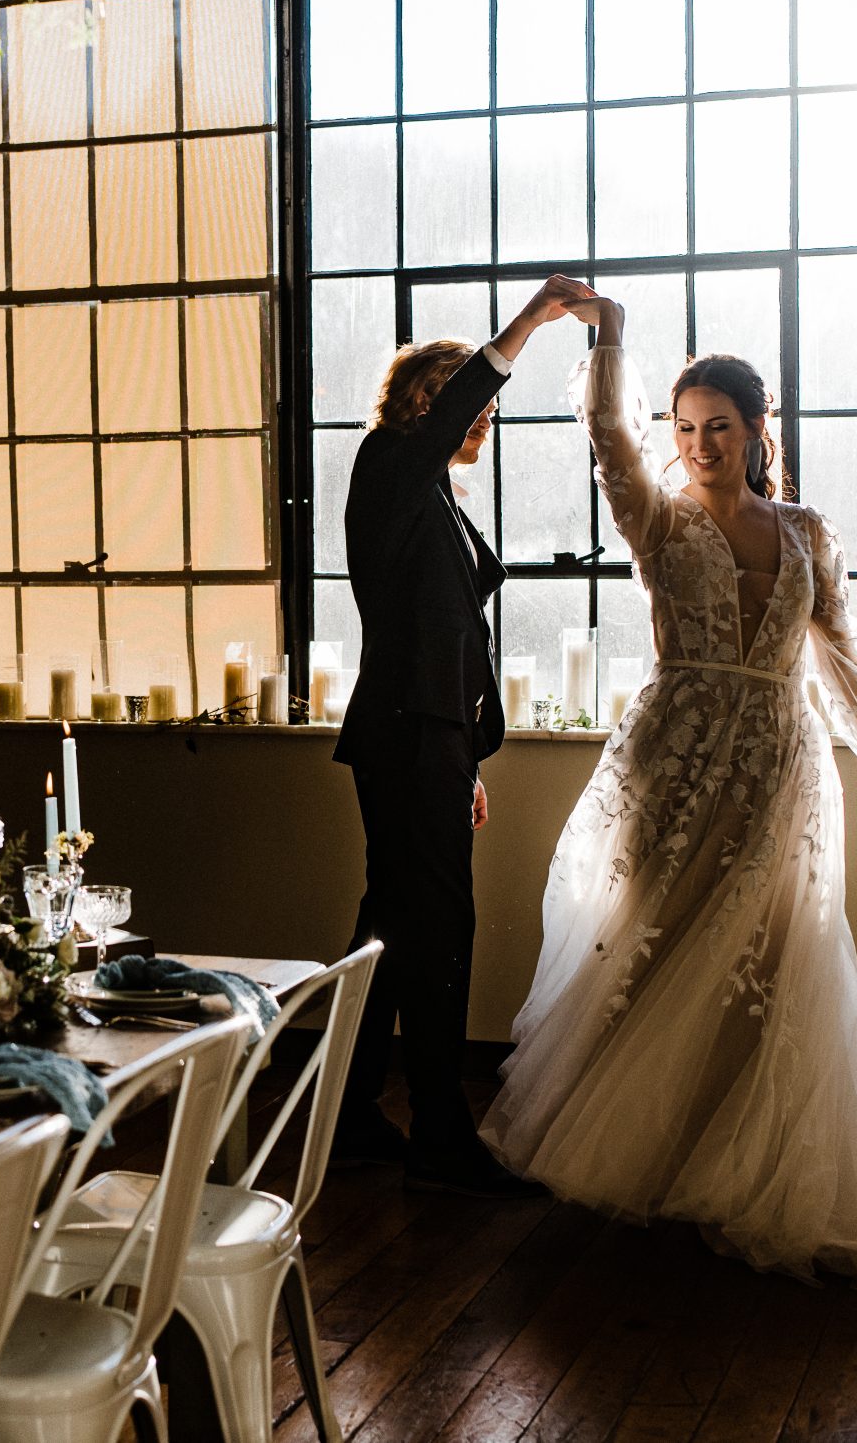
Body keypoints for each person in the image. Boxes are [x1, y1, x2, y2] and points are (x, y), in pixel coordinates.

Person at [479, 283, 857, 1288]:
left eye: (717, 427)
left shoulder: (807, 533)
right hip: (674, 758)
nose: (699, 444)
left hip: (778, 762)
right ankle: (653, 1158)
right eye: (684, 429)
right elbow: (605, 432)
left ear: (756, 429)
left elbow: (843, 651)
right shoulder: (657, 522)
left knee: (770, 957)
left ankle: (741, 1165)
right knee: (657, 940)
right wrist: (611, 337)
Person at [330, 277, 586, 1198]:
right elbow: (464, 404)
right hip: (408, 737)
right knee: (437, 927)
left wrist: (466, 756)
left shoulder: (429, 495)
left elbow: (449, 627)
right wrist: (529, 324)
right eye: (464, 405)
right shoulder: (389, 465)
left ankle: (348, 1113)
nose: (481, 425)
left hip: (428, 741)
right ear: (427, 404)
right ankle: (440, 1131)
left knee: (391, 929)